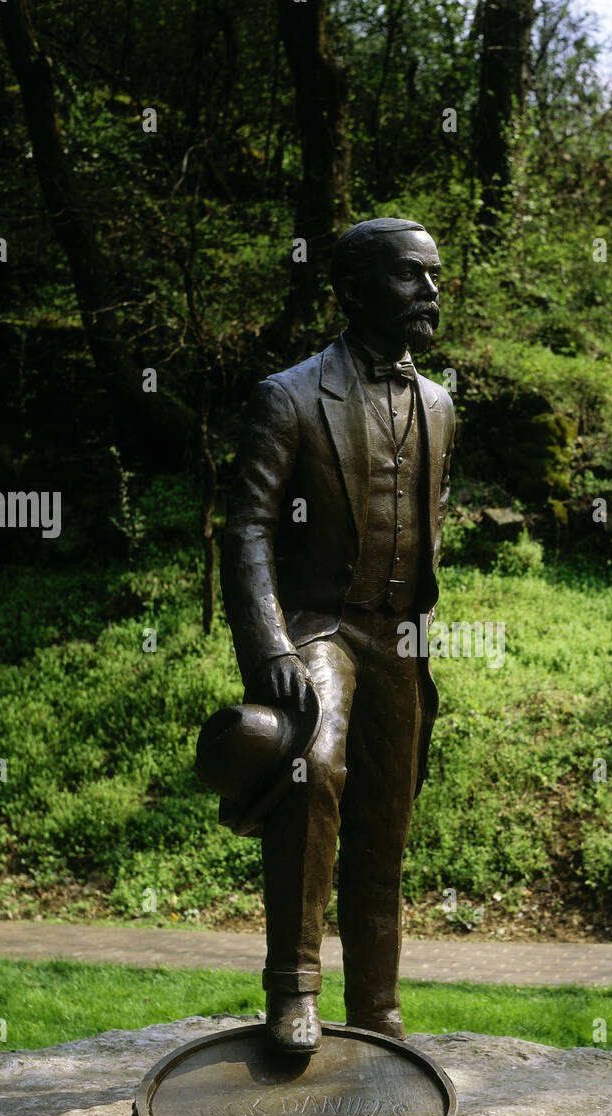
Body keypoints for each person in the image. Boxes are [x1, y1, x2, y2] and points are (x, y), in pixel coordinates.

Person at [221, 218, 454, 1054]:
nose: (430, 292)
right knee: (311, 768)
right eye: (410, 277)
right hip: (321, 624)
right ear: (354, 290)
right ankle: (293, 990)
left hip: (400, 640)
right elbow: (245, 527)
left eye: (434, 276)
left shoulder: (439, 404)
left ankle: (380, 1011)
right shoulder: (289, 395)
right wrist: (272, 646)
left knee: (387, 816)